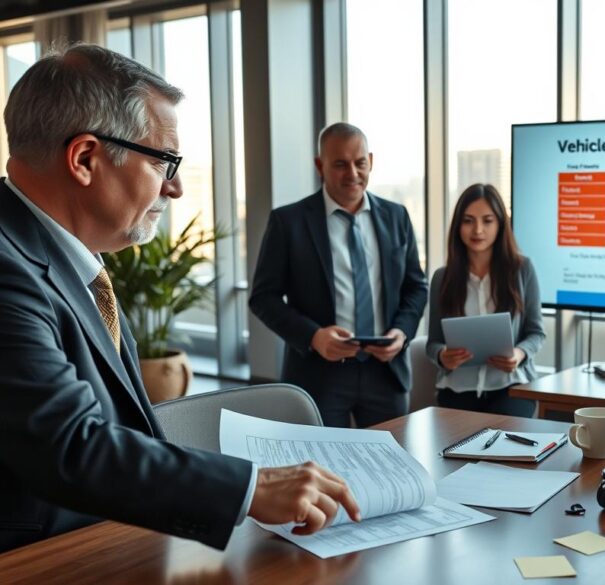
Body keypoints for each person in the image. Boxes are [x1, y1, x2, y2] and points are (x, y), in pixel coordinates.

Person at [0, 44, 359, 553]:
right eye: (164, 162)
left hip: (115, 546)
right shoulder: (6, 268)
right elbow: (70, 445)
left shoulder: (66, 256)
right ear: (84, 158)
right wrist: (251, 487)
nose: (174, 190)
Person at [249, 123, 427, 428]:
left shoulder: (397, 216)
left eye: (360, 163)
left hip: (386, 372)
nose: (353, 174)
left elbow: (416, 287)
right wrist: (314, 337)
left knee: (392, 467)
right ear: (320, 165)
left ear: (370, 161)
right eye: (340, 164)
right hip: (319, 375)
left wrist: (401, 332)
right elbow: (263, 298)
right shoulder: (288, 222)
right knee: (324, 469)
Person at [426, 183, 545, 416]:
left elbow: (536, 333)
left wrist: (518, 355)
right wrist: (443, 356)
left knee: (505, 449)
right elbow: (433, 344)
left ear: (500, 224)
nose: (477, 230)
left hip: (511, 385)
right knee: (453, 449)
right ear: (458, 226)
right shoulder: (442, 278)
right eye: (468, 220)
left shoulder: (522, 269)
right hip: (457, 388)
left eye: (487, 220)